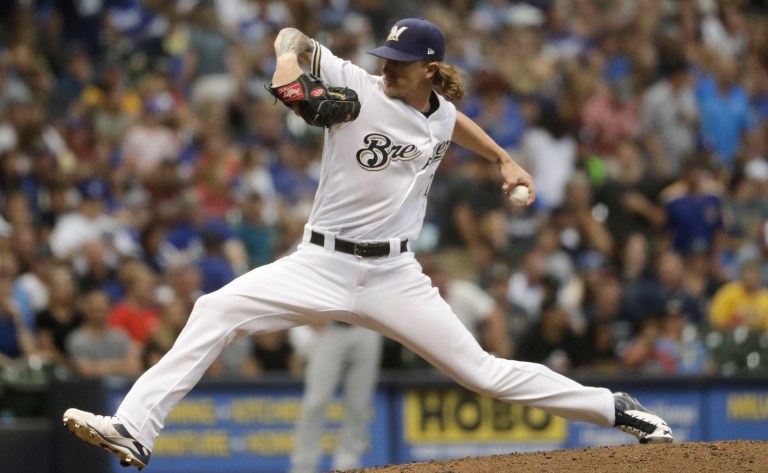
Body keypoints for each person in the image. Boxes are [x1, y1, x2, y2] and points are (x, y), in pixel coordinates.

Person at [62, 18, 673, 470]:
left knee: (483, 374)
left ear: (429, 70)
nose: (387, 67)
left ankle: (614, 408)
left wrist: (504, 158)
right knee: (215, 308)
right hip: (320, 262)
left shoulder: (435, 111)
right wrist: (286, 67)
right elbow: (293, 35)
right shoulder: (360, 83)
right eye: (386, 55)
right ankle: (136, 428)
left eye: (401, 62)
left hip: (394, 277)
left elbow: (450, 121)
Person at [289, 323, 382, 473]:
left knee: (359, 405)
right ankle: (303, 466)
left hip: (366, 327)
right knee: (315, 402)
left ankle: (348, 465)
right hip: (332, 327)